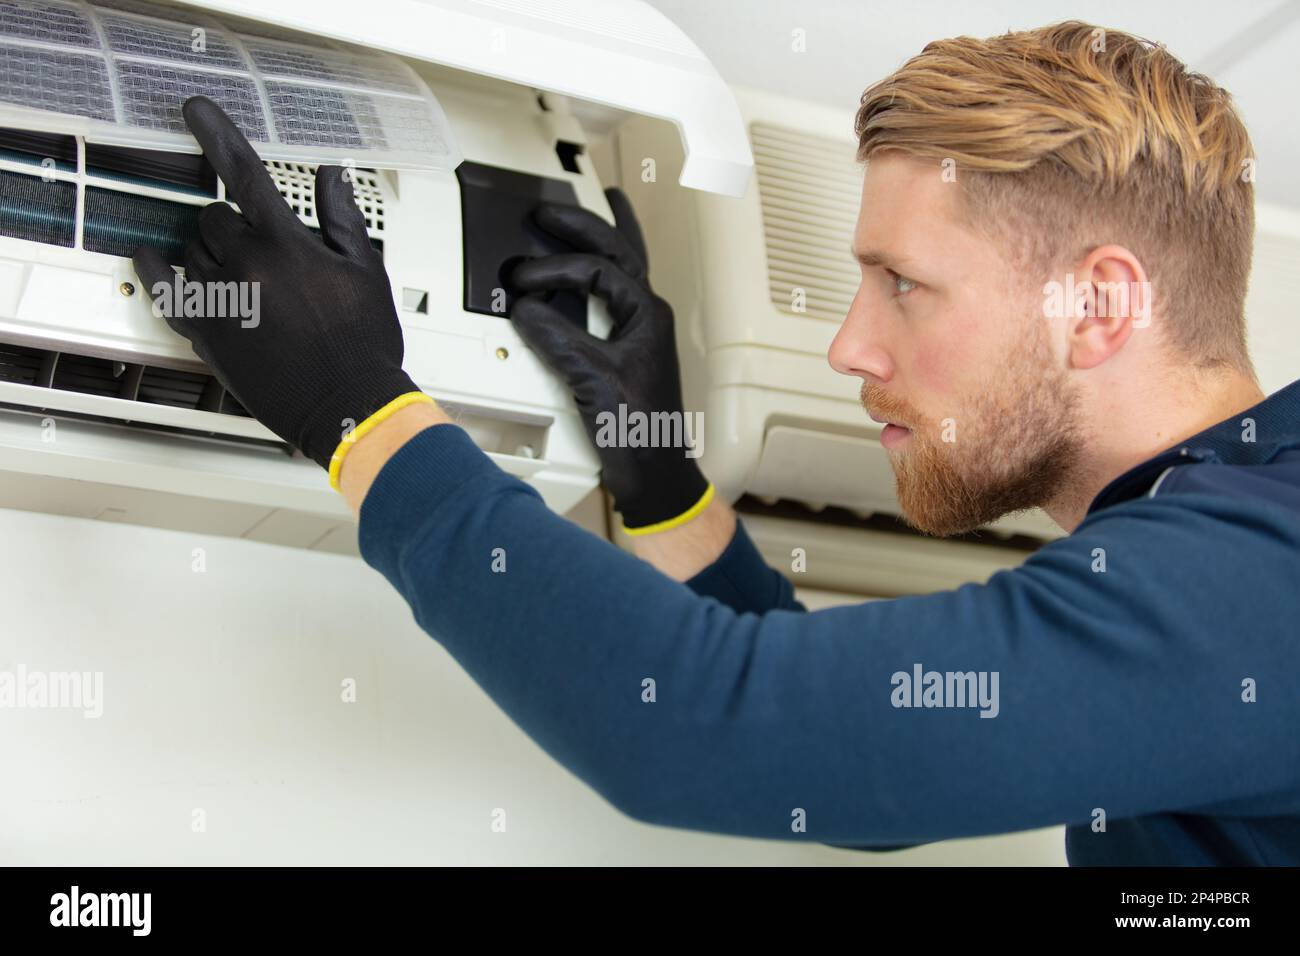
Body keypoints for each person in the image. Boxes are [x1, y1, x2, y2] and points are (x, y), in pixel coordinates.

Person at [132, 21, 1300, 865]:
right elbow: (852, 780)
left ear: (1093, 307)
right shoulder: (1224, 563)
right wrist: (657, 472)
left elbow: (697, 727)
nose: (848, 347)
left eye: (903, 283)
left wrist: (362, 414)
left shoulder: (1262, 566)